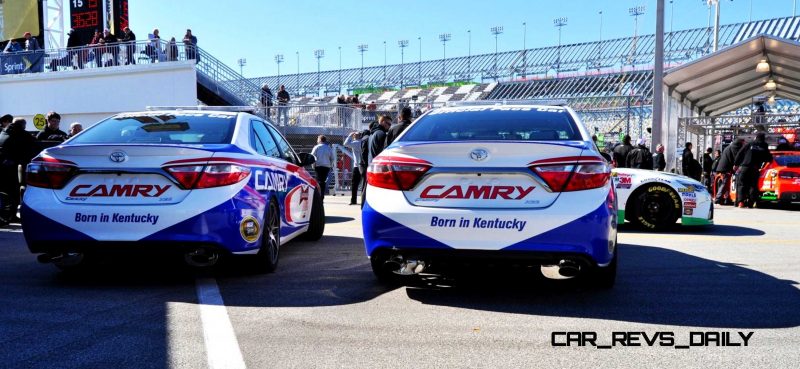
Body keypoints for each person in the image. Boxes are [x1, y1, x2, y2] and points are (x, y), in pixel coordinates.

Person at [0, 118, 36, 223]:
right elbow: (33, 145)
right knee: (14, 191)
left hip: (2, 165)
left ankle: (5, 215)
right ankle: (11, 215)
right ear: (23, 125)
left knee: (4, 192)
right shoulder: (20, 134)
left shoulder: (3, 132)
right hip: (11, 168)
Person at [734, 133, 773, 208]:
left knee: (742, 184)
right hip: (755, 168)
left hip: (745, 167)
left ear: (756, 137)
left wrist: (736, 163)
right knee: (753, 185)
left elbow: (740, 153)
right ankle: (751, 203)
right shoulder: (764, 146)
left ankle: (741, 202)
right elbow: (768, 157)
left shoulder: (750, 144)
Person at [715, 138, 745, 204]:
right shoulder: (735, 147)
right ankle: (718, 198)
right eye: (743, 142)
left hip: (723, 167)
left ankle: (725, 199)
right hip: (726, 168)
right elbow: (736, 157)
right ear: (740, 142)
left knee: (726, 183)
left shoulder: (730, 146)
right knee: (725, 183)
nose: (744, 144)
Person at [310, 135, 335, 200]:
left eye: (318, 139)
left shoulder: (316, 147)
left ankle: (318, 195)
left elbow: (312, 156)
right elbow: (332, 158)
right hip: (326, 166)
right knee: (323, 181)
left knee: (318, 181)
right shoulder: (328, 148)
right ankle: (322, 195)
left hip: (318, 166)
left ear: (320, 140)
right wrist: (330, 165)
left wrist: (313, 165)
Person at [343, 131, 364, 205]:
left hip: (357, 166)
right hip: (364, 165)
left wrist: (349, 135)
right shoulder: (364, 142)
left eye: (355, 135)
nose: (354, 136)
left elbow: (345, 144)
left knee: (354, 184)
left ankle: (353, 200)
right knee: (364, 184)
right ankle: (364, 200)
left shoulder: (356, 143)